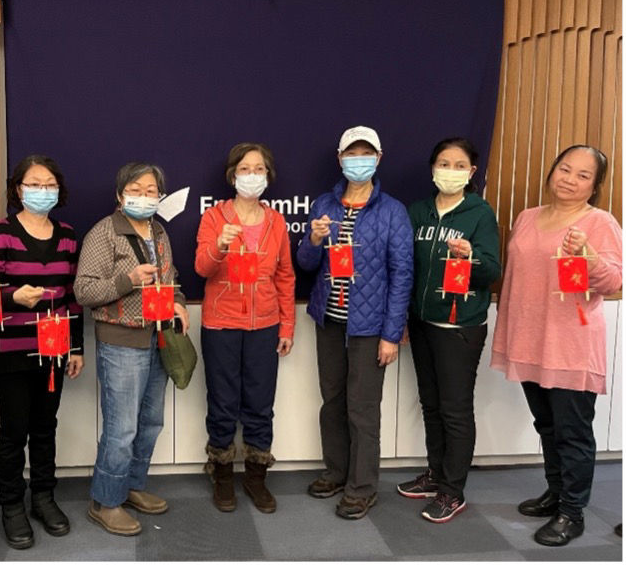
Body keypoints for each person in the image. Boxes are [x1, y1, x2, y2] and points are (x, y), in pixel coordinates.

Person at [491, 144, 622, 547]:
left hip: (571, 345)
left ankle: (572, 512)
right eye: (565, 169)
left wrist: (589, 257)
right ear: (552, 171)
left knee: (572, 431)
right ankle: (555, 493)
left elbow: (614, 282)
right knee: (546, 424)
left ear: (595, 186)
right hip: (531, 340)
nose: (570, 179)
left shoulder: (599, 222)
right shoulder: (527, 218)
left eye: (583, 175)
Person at [297, 126, 413, 520]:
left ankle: (362, 487)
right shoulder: (324, 205)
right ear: (340, 158)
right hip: (329, 319)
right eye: (351, 154)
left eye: (366, 154)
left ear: (378, 159)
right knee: (332, 402)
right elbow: (307, 265)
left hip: (369, 327)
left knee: (362, 408)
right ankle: (336, 471)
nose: (357, 161)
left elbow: (402, 275)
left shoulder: (393, 211)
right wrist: (312, 240)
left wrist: (391, 334)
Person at [74, 162, 189, 536]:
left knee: (151, 423)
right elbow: (85, 292)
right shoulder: (104, 233)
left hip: (159, 338)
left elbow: (173, 279)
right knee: (121, 429)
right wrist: (128, 279)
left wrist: (180, 302)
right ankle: (105, 501)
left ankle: (131, 486)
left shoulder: (159, 232)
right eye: (136, 190)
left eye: (151, 190)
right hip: (121, 342)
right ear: (120, 195)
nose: (145, 196)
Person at [0, 155, 84, 549]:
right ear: (18, 189)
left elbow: (73, 297)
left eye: (49, 184)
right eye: (34, 184)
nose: (42, 191)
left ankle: (43, 497)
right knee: (14, 430)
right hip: (11, 348)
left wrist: (76, 347)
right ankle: (11, 505)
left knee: (45, 427)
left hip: (55, 347)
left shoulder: (69, 235)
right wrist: (12, 296)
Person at [396, 138, 501, 523]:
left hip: (459, 327)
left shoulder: (479, 213)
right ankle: (436, 474)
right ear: (432, 168)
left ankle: (452, 491)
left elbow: (492, 271)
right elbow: (407, 267)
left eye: (459, 165)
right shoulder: (418, 211)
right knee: (431, 404)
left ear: (472, 172)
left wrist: (470, 258)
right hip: (421, 323)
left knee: (455, 410)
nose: (450, 170)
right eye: (444, 162)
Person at [194, 143, 295, 514]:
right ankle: (222, 475)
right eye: (245, 168)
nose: (252, 175)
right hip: (221, 324)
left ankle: (256, 477)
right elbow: (202, 268)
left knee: (259, 404)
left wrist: (287, 326)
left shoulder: (276, 222)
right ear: (232, 175)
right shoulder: (213, 218)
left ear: (268, 176)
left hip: (265, 324)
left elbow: (285, 276)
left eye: (259, 169)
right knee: (222, 403)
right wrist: (219, 246)